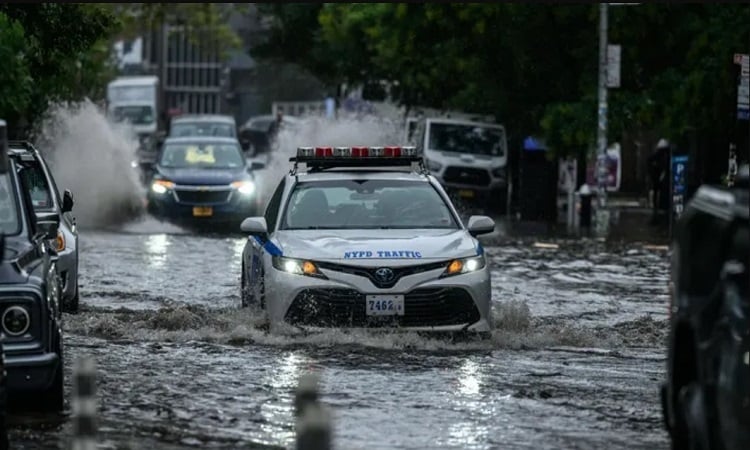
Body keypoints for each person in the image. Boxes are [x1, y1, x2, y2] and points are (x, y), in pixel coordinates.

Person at [648, 138, 670, 225]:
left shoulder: (664, 156)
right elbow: (649, 162)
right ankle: (656, 210)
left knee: (659, 193)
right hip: (657, 178)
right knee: (657, 193)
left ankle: (658, 210)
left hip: (661, 179)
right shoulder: (657, 157)